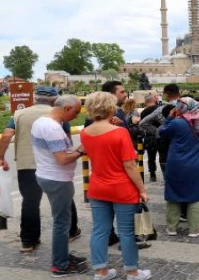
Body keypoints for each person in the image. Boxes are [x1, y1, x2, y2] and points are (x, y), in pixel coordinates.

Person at [0, 86, 81, 253]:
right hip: (53, 167)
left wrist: (1, 157)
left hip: (27, 164)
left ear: (35, 98)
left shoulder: (19, 114)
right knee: (64, 200)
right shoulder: (58, 115)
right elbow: (66, 141)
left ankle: (28, 241)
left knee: (30, 202)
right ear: (54, 99)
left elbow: (7, 135)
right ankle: (71, 232)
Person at [81, 92, 151, 280]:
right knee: (127, 232)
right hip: (122, 188)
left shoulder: (85, 133)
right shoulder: (120, 132)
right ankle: (132, 272)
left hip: (97, 186)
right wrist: (142, 189)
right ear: (110, 108)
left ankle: (101, 271)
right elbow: (129, 165)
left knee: (99, 230)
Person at [31, 95, 88, 276]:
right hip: (57, 179)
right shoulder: (52, 128)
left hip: (48, 175)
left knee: (63, 221)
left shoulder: (41, 122)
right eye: (76, 111)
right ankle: (59, 265)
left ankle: (62, 255)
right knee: (62, 223)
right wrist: (80, 150)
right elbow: (62, 159)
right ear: (66, 108)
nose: (77, 115)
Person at [159, 97, 199, 238]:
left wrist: (170, 118)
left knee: (173, 195)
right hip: (197, 163)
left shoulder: (177, 123)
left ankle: (171, 228)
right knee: (196, 197)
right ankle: (194, 229)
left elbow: (162, 132)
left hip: (176, 163)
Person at [140, 94, 159, 182]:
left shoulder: (144, 112)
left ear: (145, 102)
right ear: (154, 100)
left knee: (151, 157)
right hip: (161, 135)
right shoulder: (159, 109)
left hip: (150, 136)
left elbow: (142, 126)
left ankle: (152, 174)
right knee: (163, 155)